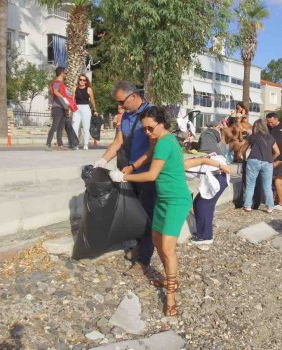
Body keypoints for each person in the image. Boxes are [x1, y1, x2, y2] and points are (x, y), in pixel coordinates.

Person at [108, 106, 192, 316]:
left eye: (150, 128)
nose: (147, 133)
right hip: (163, 199)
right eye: (144, 129)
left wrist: (123, 177)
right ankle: (170, 278)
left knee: (167, 248)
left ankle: (171, 296)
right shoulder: (159, 139)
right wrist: (132, 166)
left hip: (176, 200)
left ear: (162, 124)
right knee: (156, 240)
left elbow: (152, 175)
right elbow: (147, 154)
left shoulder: (165, 142)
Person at [93, 81, 154, 276]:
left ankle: (143, 260)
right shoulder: (126, 116)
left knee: (148, 217)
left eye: (121, 102)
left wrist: (135, 167)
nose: (119, 106)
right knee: (135, 213)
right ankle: (138, 245)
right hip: (128, 172)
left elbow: (155, 148)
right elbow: (118, 141)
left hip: (147, 174)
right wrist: (102, 161)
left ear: (133, 96)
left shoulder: (151, 114)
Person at [184, 156, 231, 245]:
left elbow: (204, 160)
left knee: (203, 205)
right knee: (198, 202)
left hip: (218, 176)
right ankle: (202, 231)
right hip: (218, 176)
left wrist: (221, 166)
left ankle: (205, 237)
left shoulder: (184, 163)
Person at [240, 119, 280, 213]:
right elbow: (277, 152)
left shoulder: (252, 137)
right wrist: (271, 158)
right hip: (267, 162)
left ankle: (247, 206)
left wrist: (245, 159)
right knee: (267, 186)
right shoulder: (270, 137)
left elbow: (243, 150)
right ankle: (270, 207)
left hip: (253, 161)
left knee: (250, 185)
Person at [46, 67, 73, 150]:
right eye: (66, 73)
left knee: (60, 128)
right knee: (55, 126)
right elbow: (55, 91)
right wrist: (64, 98)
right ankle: (48, 144)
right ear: (61, 73)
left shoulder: (62, 84)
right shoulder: (57, 82)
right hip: (57, 108)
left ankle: (60, 144)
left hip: (63, 108)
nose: (66, 75)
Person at [72, 74, 98, 150]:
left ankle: (86, 144)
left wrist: (95, 110)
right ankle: (75, 144)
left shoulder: (89, 89)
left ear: (86, 81)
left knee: (86, 127)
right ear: (78, 80)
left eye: (84, 80)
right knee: (75, 127)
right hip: (76, 108)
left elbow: (92, 100)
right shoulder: (75, 88)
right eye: (80, 79)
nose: (82, 81)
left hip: (85, 107)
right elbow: (73, 100)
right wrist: (71, 110)